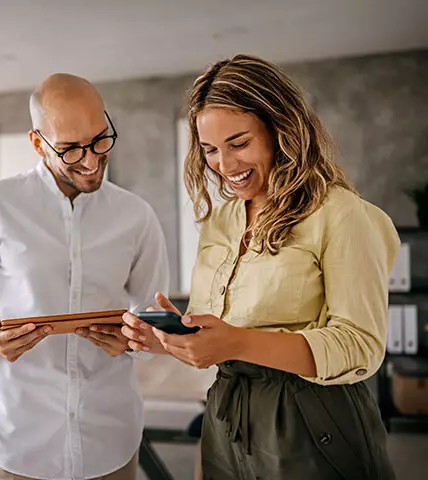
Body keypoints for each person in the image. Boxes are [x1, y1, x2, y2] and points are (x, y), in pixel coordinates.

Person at [122, 54, 399, 479]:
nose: (225, 165)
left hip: (313, 420)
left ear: (280, 129)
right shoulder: (220, 220)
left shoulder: (339, 213)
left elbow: (360, 345)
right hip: (227, 416)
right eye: (210, 149)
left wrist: (235, 343)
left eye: (239, 143)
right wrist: (172, 339)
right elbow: (223, 333)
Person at [0, 73, 171, 480]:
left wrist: (136, 340)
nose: (91, 159)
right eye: (69, 149)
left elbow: (153, 314)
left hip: (110, 441)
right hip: (18, 443)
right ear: (37, 142)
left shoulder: (137, 216)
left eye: (101, 139)